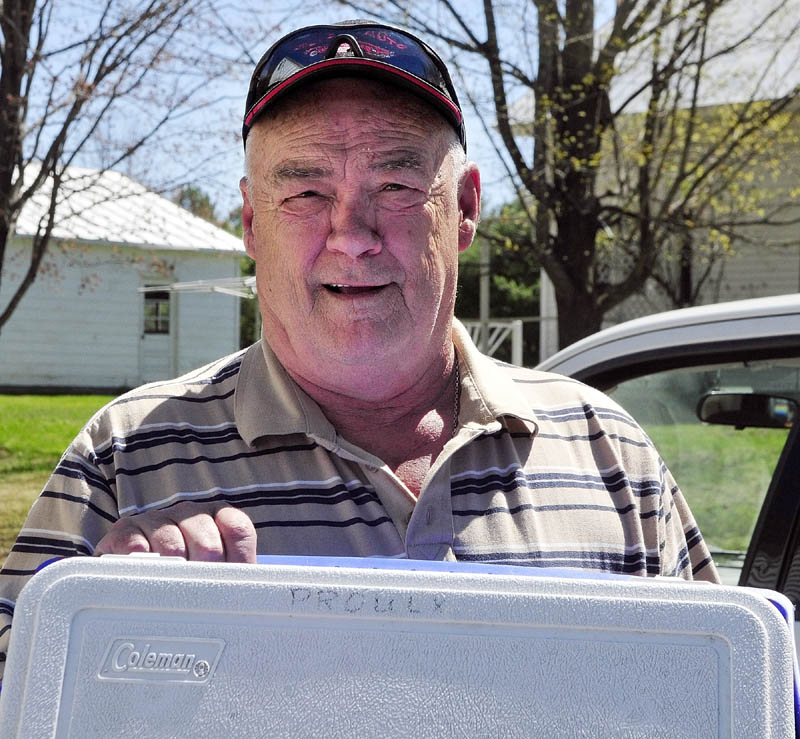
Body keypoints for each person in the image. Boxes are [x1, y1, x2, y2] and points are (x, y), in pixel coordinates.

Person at [0, 20, 718, 679]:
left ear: (464, 209)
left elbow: (716, 694)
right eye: (307, 192)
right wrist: (96, 631)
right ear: (252, 222)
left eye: (398, 185)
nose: (352, 234)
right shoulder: (123, 461)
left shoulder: (609, 453)